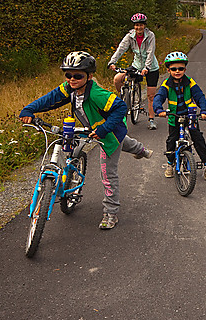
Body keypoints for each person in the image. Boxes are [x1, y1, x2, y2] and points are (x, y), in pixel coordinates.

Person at [19, 51, 153, 230]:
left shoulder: (96, 93)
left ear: (89, 76)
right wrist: (29, 109)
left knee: (108, 172)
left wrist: (104, 129)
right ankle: (141, 150)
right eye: (68, 75)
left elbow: (121, 107)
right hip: (89, 129)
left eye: (77, 75)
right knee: (126, 143)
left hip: (109, 134)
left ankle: (111, 213)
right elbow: (50, 98)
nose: (71, 79)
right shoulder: (70, 88)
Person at [152, 51, 206, 180]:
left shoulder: (190, 82)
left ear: (185, 69)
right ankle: (170, 163)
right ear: (168, 70)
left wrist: (204, 111)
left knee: (197, 139)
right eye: (174, 69)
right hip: (174, 116)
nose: (177, 71)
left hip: (189, 115)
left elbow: (200, 96)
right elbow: (159, 97)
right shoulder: (166, 85)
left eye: (180, 68)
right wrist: (158, 110)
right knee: (171, 141)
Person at [108, 13, 160, 130]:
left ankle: (151, 119)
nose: (138, 28)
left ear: (144, 26)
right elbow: (121, 48)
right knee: (117, 78)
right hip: (136, 65)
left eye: (141, 25)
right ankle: (126, 100)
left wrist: (146, 67)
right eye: (136, 25)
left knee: (151, 96)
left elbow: (150, 52)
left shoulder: (150, 35)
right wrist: (112, 62)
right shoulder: (130, 36)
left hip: (151, 67)